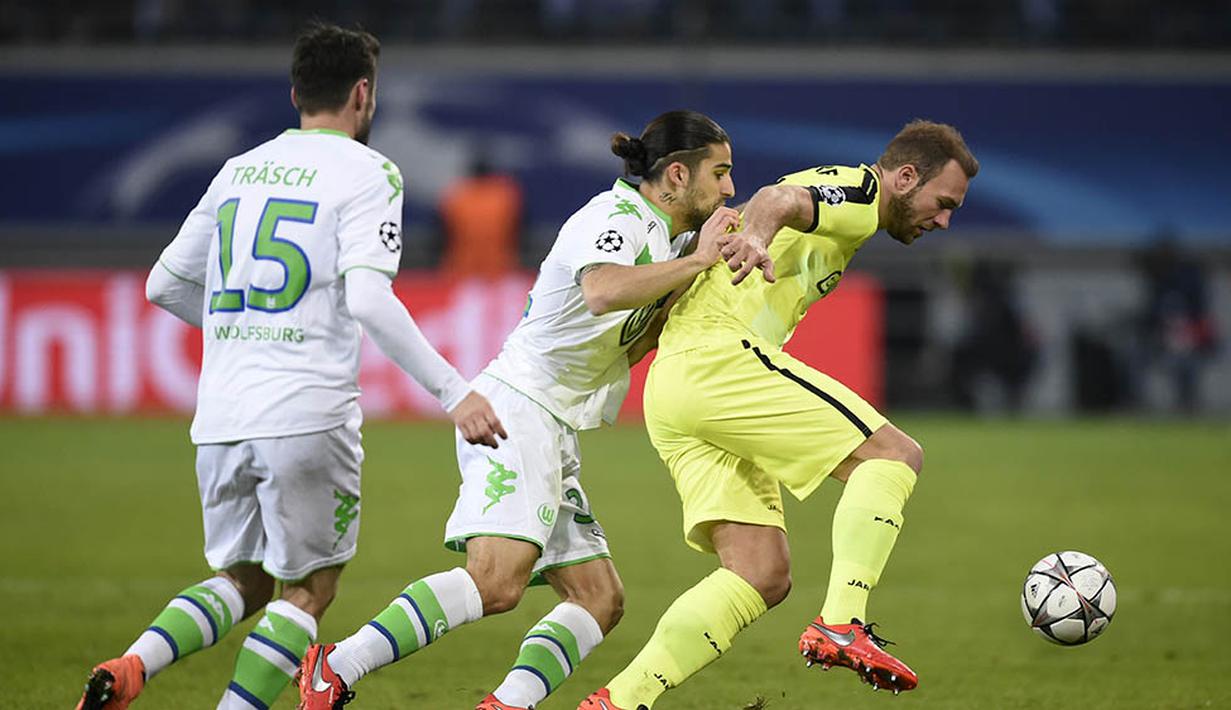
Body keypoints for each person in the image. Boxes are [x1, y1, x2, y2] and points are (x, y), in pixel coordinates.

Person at [76, 22, 504, 710]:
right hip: (305, 411)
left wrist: (244, 329)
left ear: (295, 91)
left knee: (242, 580)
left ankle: (133, 664)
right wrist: (454, 392)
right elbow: (368, 296)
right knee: (312, 586)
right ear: (363, 95)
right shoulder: (371, 172)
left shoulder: (237, 170)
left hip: (219, 415)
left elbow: (162, 284)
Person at [298, 110, 738, 710]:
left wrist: (692, 280)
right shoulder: (618, 216)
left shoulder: (664, 238)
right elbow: (602, 289)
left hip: (550, 423)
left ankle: (507, 705)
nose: (730, 188)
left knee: (597, 598)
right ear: (678, 175)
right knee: (497, 580)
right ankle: (338, 665)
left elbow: (630, 333)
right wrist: (698, 263)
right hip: (518, 408)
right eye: (721, 172)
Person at [581, 120, 978, 709]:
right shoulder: (863, 192)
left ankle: (620, 700)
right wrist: (757, 238)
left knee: (759, 572)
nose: (943, 220)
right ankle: (843, 621)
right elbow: (776, 200)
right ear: (904, 177)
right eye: (941, 203)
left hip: (675, 386)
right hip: (721, 358)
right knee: (894, 455)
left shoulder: (849, 213)